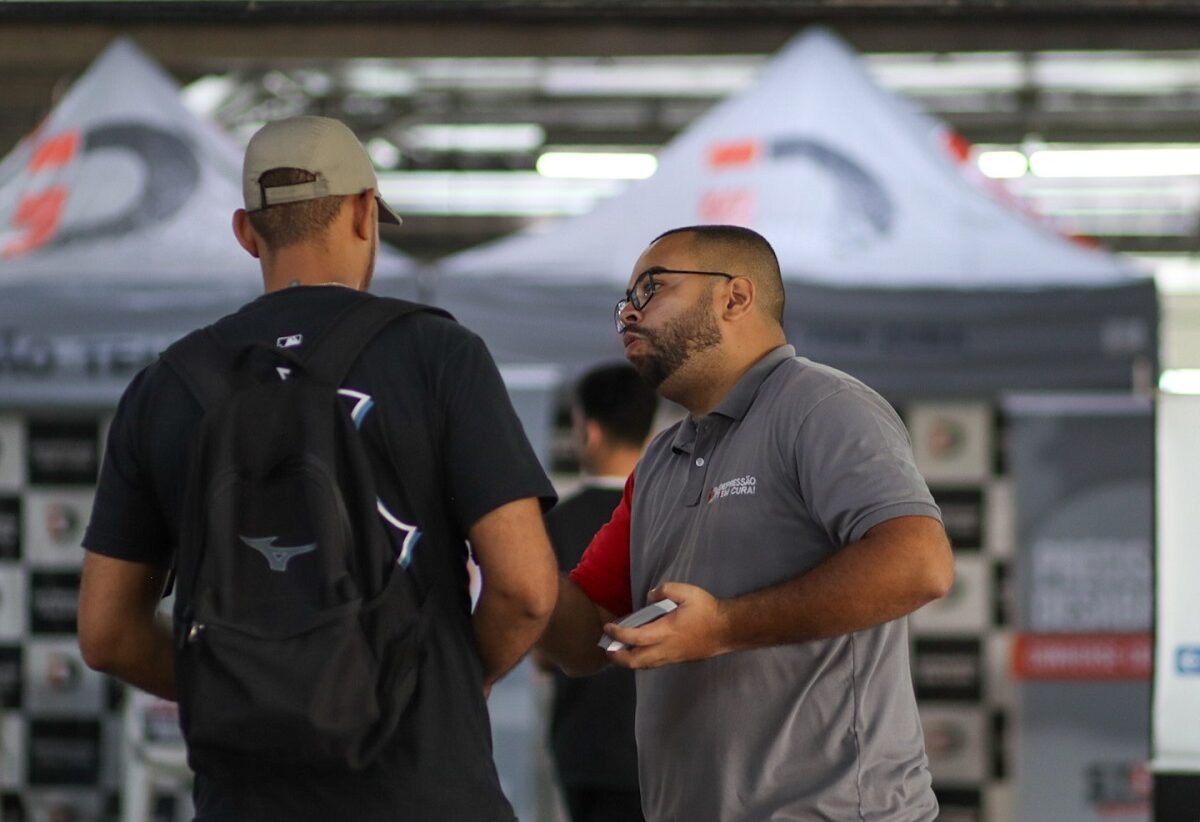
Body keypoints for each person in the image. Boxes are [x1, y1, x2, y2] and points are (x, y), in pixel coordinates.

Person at [76, 115, 559, 822]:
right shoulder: (438, 355)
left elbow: (106, 633)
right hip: (424, 792)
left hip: (247, 800)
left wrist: (252, 686)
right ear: (366, 213)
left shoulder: (167, 385)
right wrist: (442, 683)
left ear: (247, 232)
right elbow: (526, 591)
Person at [537, 225, 955, 822]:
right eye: (624, 300)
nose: (628, 313)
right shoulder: (661, 459)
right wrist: (507, 548)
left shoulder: (823, 406)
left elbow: (920, 564)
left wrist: (724, 626)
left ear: (735, 297)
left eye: (650, 289)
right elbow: (587, 641)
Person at [540, 364, 657, 822]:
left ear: (589, 430)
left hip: (586, 741)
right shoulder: (671, 514)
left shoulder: (556, 522)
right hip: (663, 738)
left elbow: (543, 635)